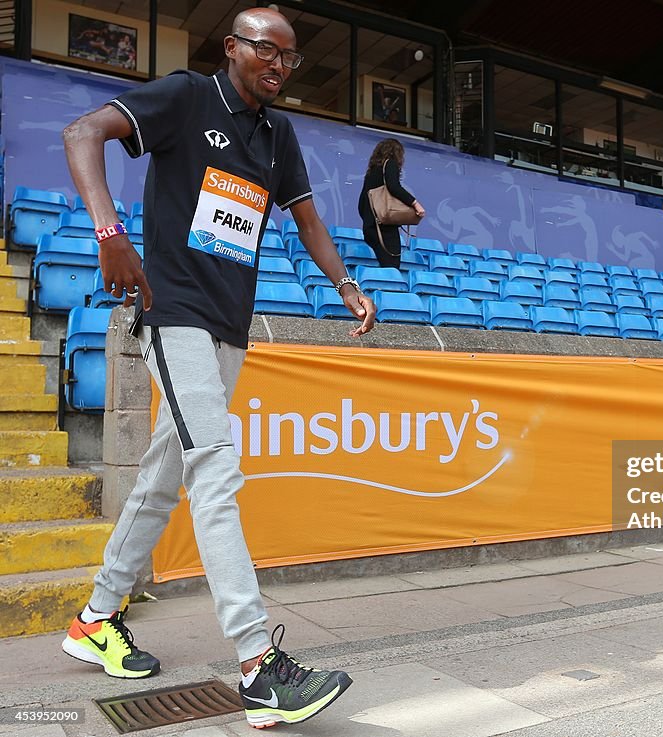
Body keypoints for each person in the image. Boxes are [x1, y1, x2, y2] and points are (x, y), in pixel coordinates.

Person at [59, 8, 374, 729]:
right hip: (175, 318)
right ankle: (260, 665)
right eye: (267, 51)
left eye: (290, 58)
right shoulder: (185, 97)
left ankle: (95, 618)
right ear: (232, 48)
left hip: (229, 326)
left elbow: (309, 222)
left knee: (165, 474)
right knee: (215, 469)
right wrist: (110, 234)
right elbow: (82, 134)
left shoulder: (278, 134)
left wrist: (346, 284)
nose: (279, 66)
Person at [358, 138, 425, 268]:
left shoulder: (372, 171)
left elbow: (361, 203)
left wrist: (369, 219)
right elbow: (394, 187)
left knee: (384, 266)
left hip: (370, 228)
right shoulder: (390, 164)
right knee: (391, 269)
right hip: (384, 229)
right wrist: (415, 203)